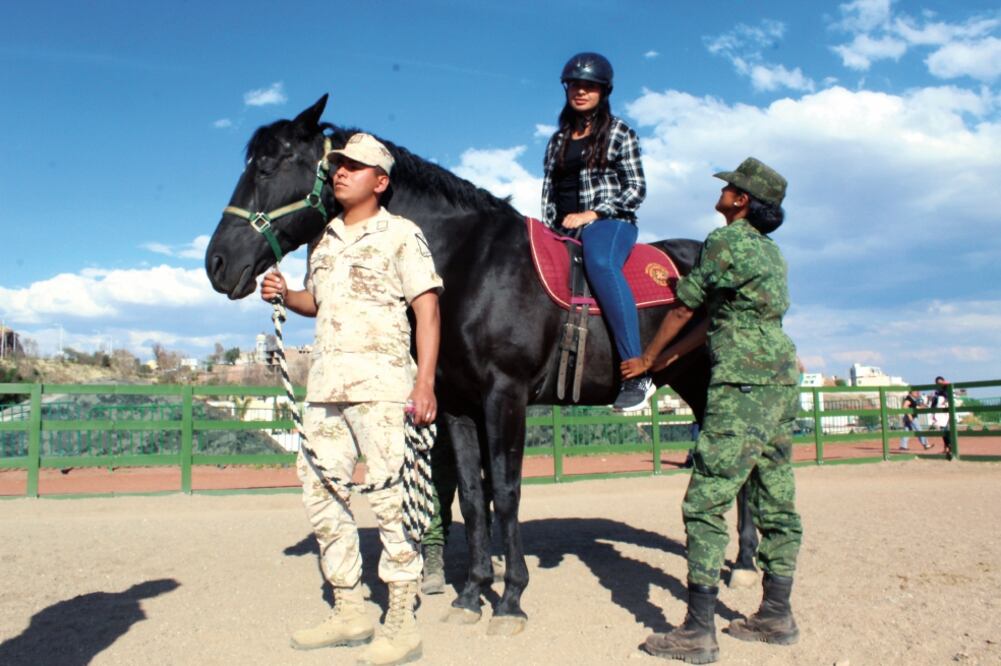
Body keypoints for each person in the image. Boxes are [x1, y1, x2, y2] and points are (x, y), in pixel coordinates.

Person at [259, 133, 442, 665]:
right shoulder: (322, 239)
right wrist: (284, 294)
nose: (340, 172)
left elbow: (427, 310)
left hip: (383, 387)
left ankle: (402, 619)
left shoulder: (402, 234)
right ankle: (350, 610)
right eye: (337, 165)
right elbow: (316, 303)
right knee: (322, 496)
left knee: (392, 501)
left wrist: (425, 383)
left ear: (380, 181)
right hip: (324, 388)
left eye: (354, 167)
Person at [621, 158, 802, 663]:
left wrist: (648, 358)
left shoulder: (724, 241)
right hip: (779, 375)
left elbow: (685, 306)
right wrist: (671, 358)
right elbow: (718, 317)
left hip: (741, 379)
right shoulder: (771, 252)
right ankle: (777, 613)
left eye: (730, 187)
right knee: (776, 495)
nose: (722, 191)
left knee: (704, 501)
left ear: (741, 200)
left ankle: (698, 630)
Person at [542, 52, 651, 412]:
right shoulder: (557, 141)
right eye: (575, 84)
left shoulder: (619, 132)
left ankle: (636, 371)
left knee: (601, 262)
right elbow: (549, 194)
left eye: (589, 86)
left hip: (609, 222)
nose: (581, 91)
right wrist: (550, 228)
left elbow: (636, 188)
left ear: (603, 91)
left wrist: (593, 213)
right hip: (562, 227)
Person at [930, 376, 952, 456]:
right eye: (937, 383)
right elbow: (934, 401)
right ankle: (948, 447)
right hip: (938, 411)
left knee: (945, 429)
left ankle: (949, 447)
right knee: (942, 430)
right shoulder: (936, 390)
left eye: (940, 382)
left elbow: (949, 396)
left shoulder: (946, 388)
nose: (939, 384)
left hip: (945, 410)